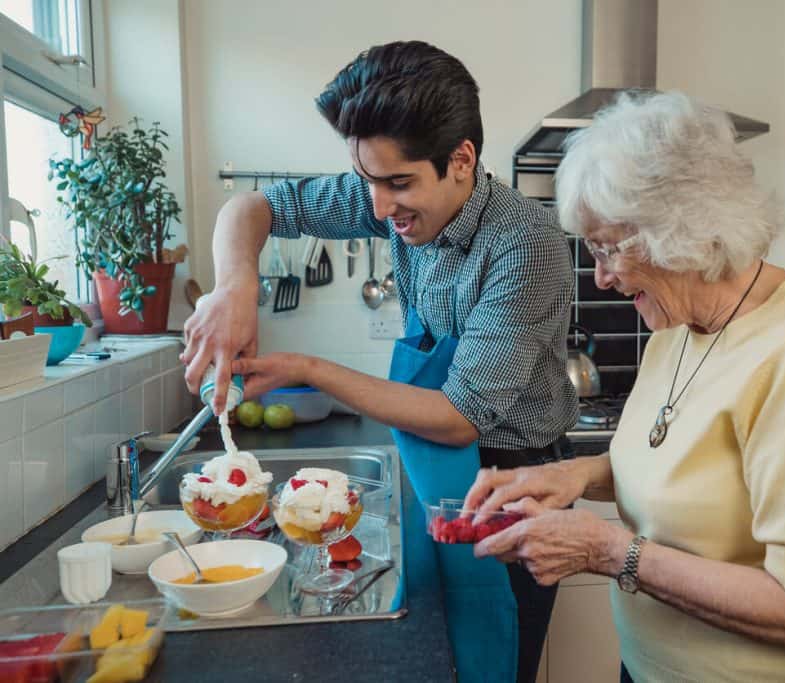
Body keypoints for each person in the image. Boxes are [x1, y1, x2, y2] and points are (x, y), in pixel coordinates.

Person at [466, 91, 785, 682]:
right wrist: (569, 476)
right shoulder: (676, 329)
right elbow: (679, 465)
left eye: (608, 248)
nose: (600, 276)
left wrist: (608, 550)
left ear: (683, 227)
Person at [179, 41, 577, 683]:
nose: (379, 208)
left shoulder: (525, 246)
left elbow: (456, 418)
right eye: (368, 180)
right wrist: (235, 286)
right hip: (431, 472)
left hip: (514, 490)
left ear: (461, 160)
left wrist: (310, 368)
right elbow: (250, 207)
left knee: (490, 664)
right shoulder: (392, 197)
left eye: (398, 184)